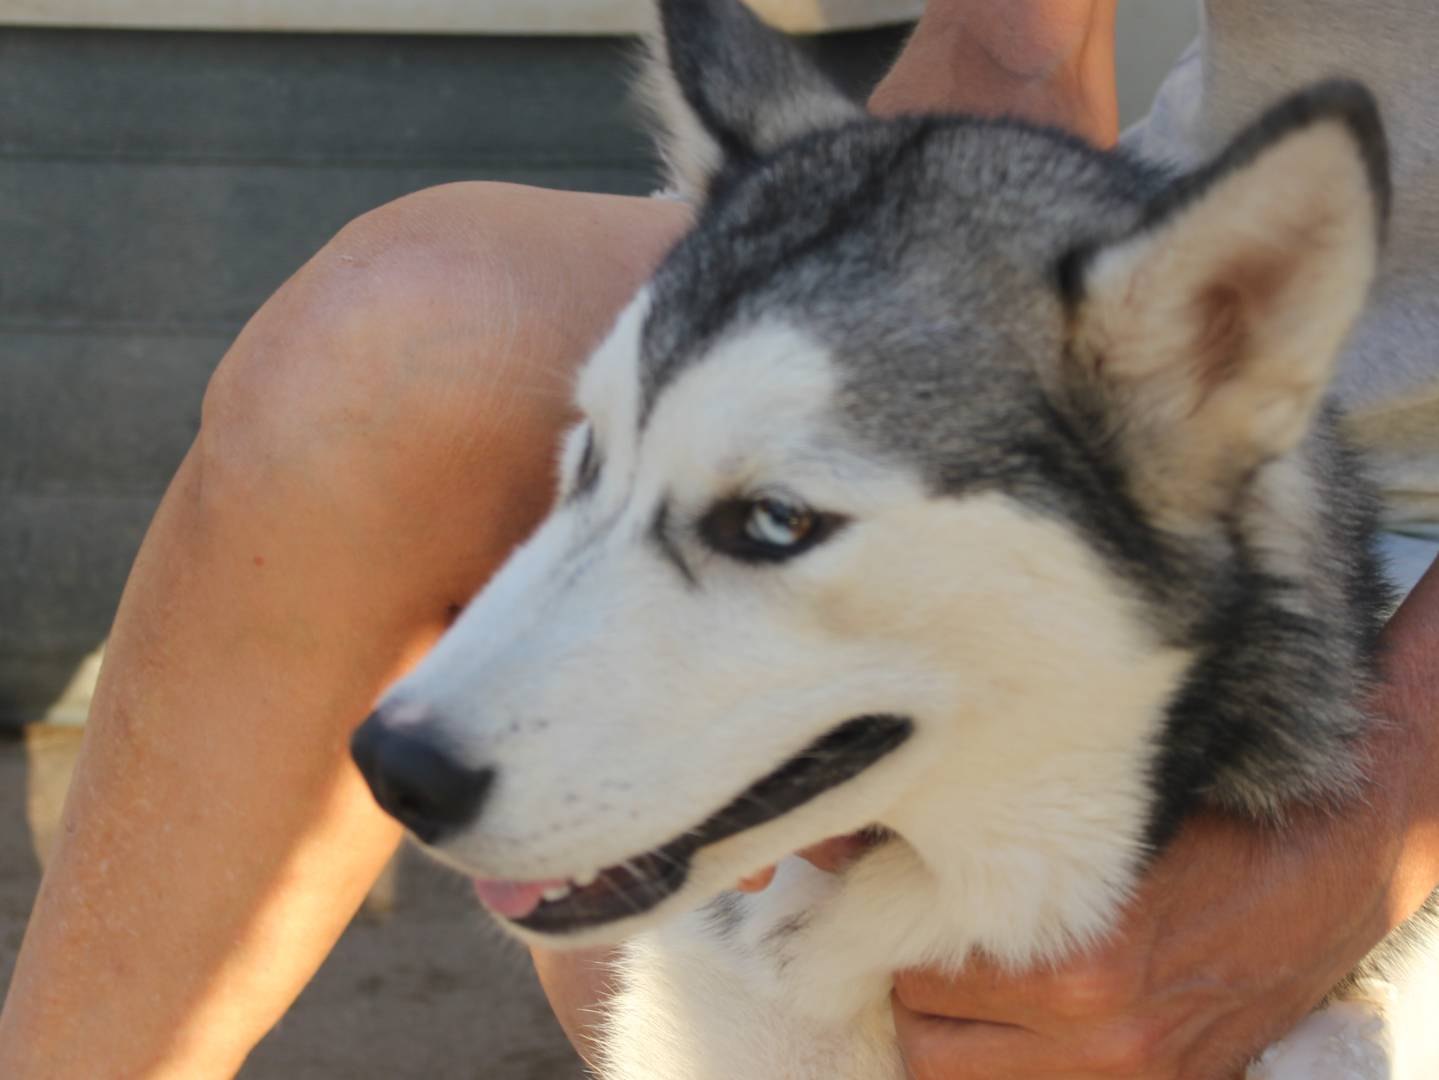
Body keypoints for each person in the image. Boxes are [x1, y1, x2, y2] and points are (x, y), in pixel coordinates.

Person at [1, 3, 1435, 1078]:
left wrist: (1343, 863)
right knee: (384, 347)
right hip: (1094, 301)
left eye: (767, 523)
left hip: (1273, 464)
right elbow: (1016, 57)